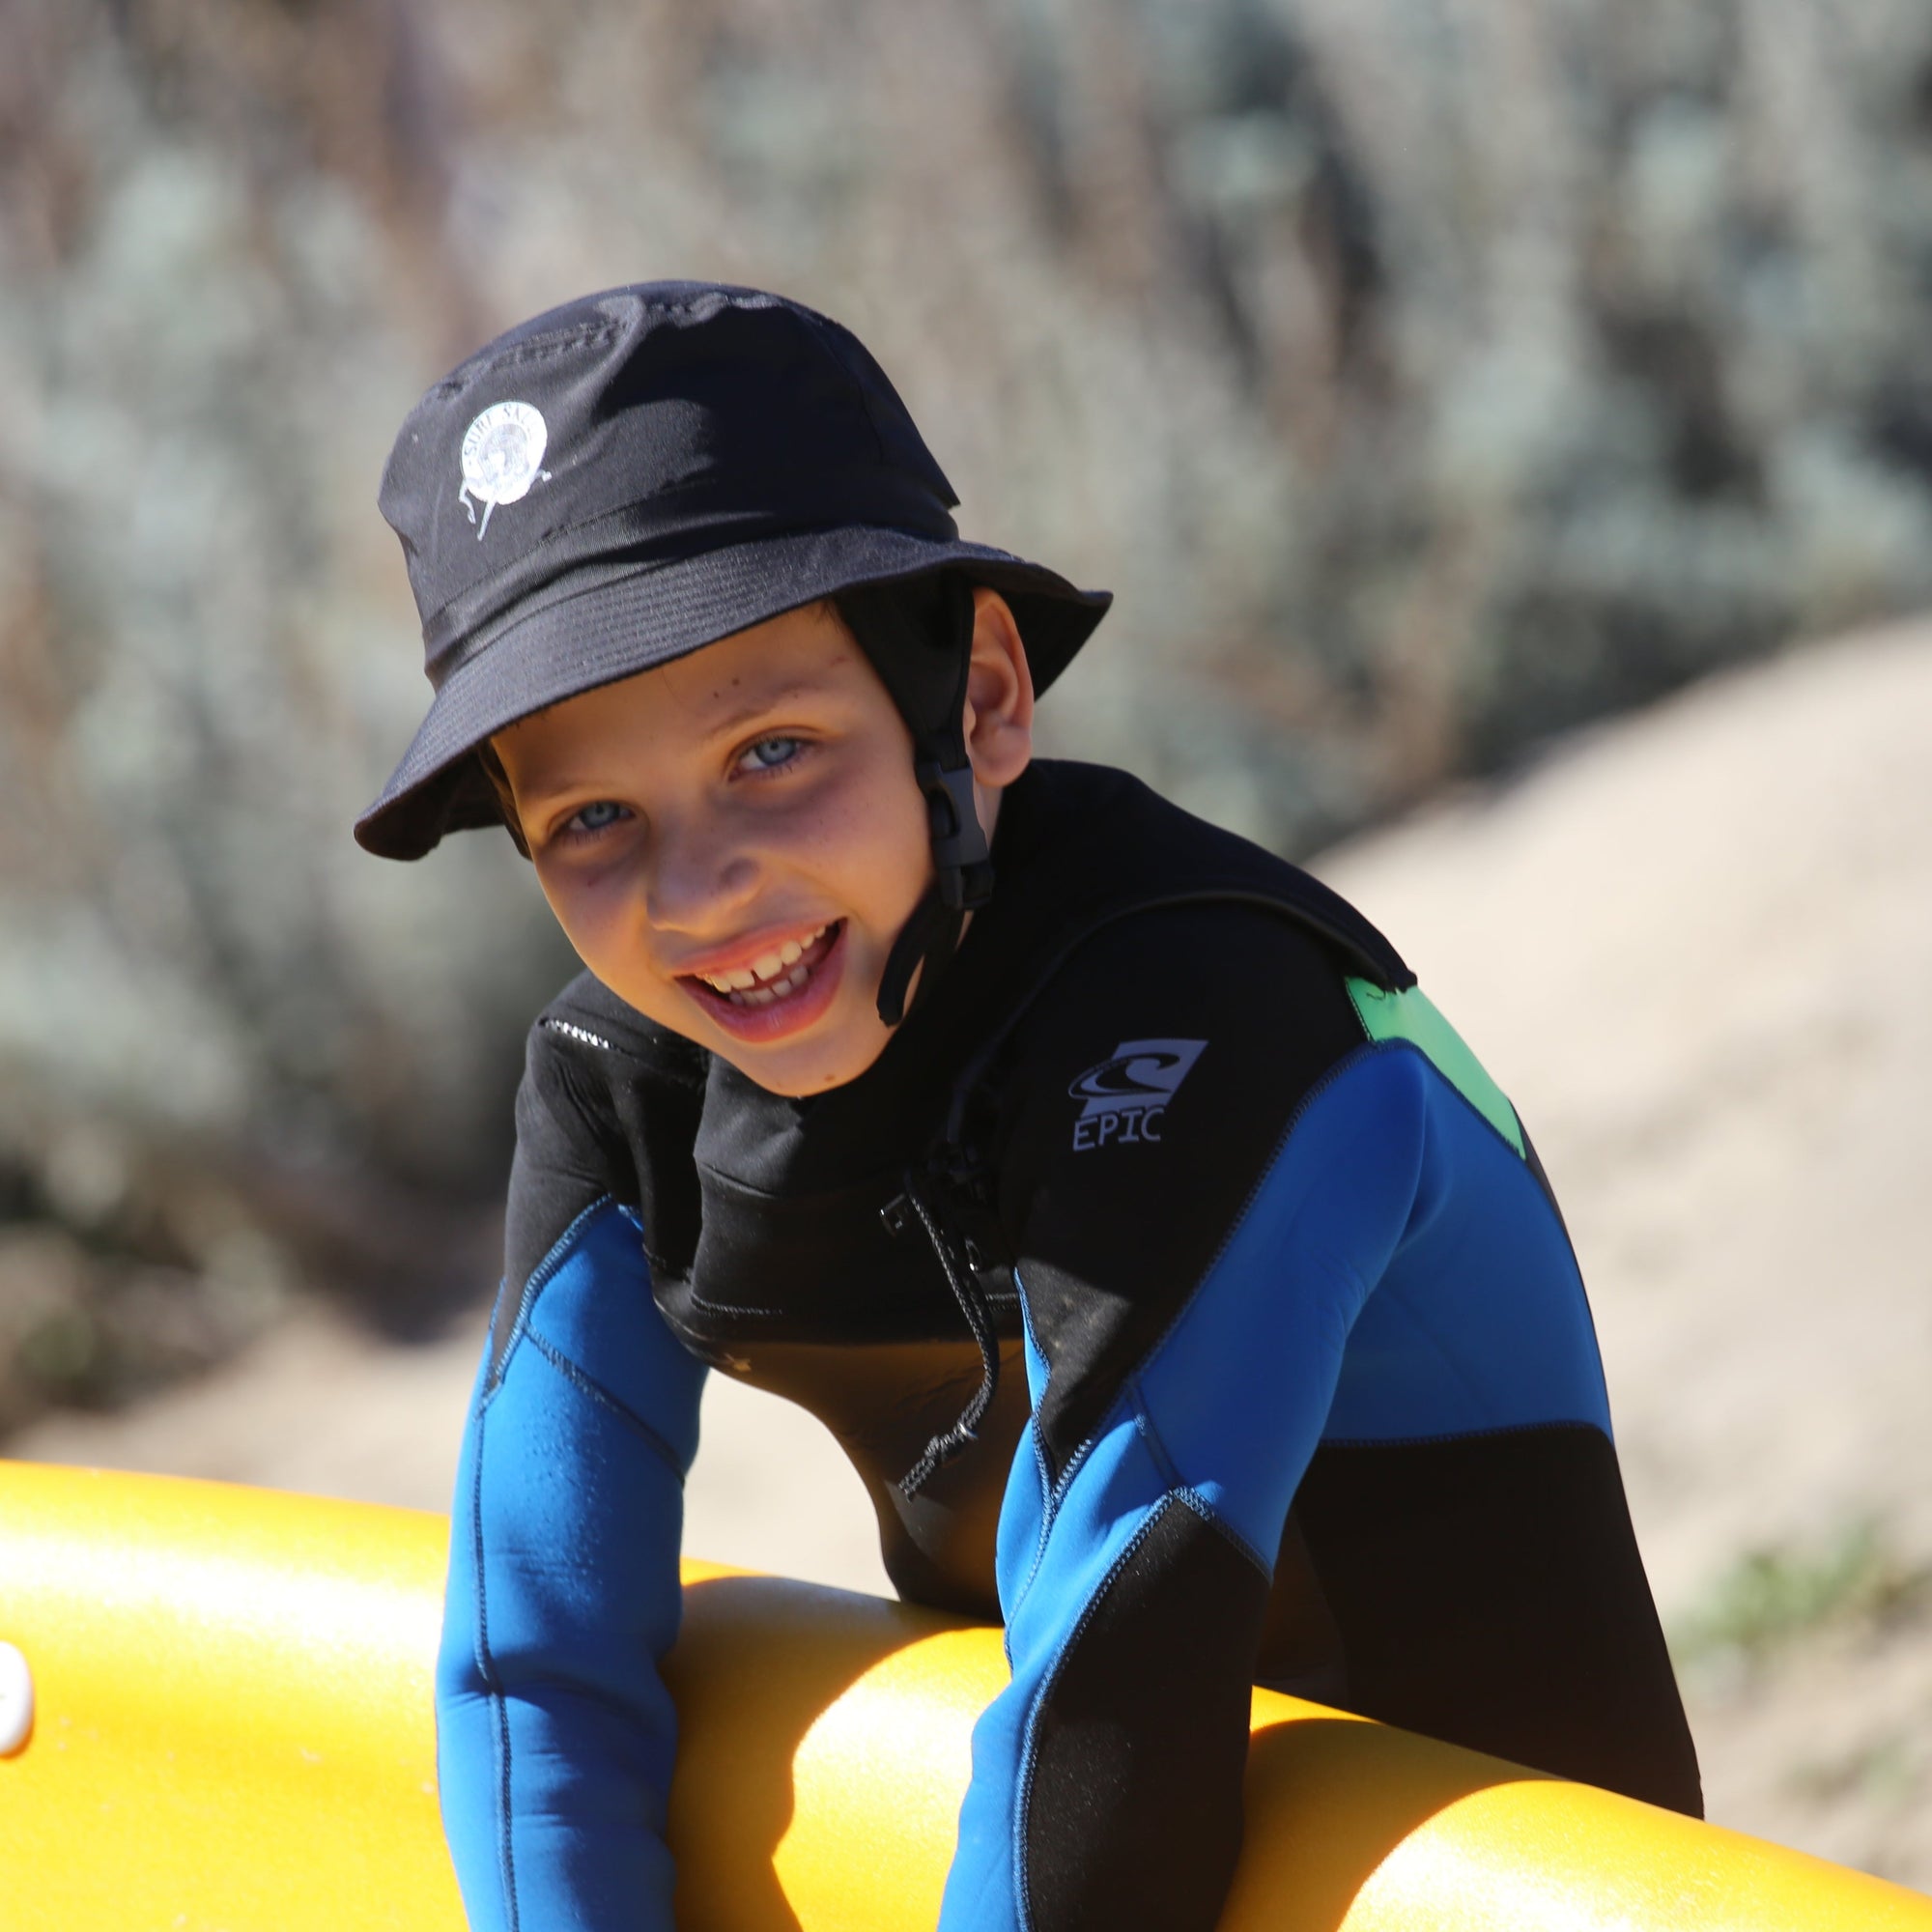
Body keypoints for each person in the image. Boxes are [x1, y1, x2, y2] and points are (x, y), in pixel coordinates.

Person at [356, 281, 1701, 1932]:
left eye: (772, 753)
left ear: (983, 699)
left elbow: (1117, 1668)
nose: (699, 892)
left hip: (1491, 1882)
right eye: (590, 823)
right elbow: (530, 1659)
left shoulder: (1213, 1015)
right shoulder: (616, 1079)